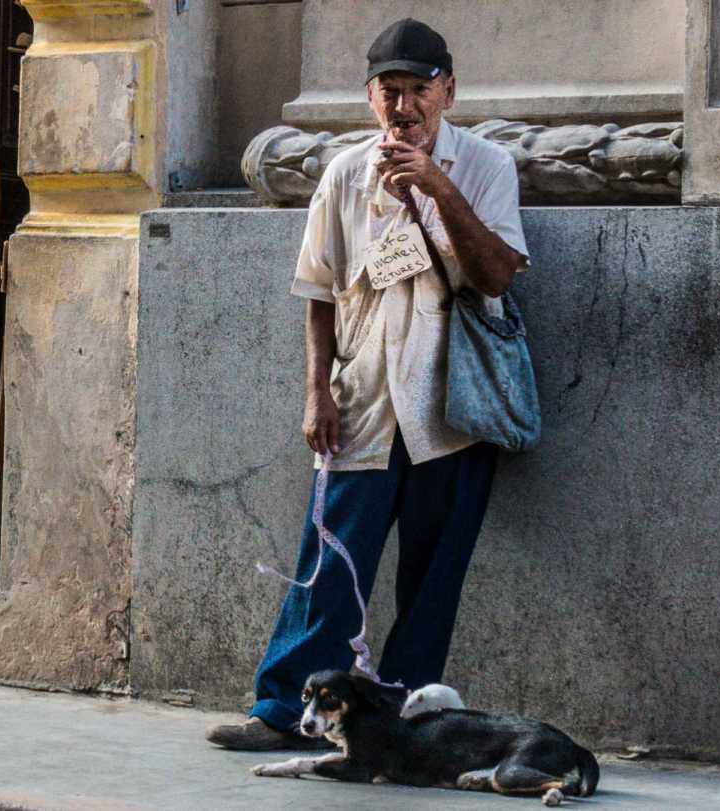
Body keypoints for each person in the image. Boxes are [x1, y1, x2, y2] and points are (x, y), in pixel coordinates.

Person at [206, 17, 530, 751]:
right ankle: (284, 709)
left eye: (421, 89)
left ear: (449, 91)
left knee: (431, 576)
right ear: (369, 96)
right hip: (362, 404)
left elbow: (498, 274)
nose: (406, 105)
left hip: (453, 411)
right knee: (328, 564)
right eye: (392, 90)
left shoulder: (484, 166)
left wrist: (437, 187)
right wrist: (316, 391)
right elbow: (317, 291)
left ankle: (400, 723)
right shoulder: (345, 172)